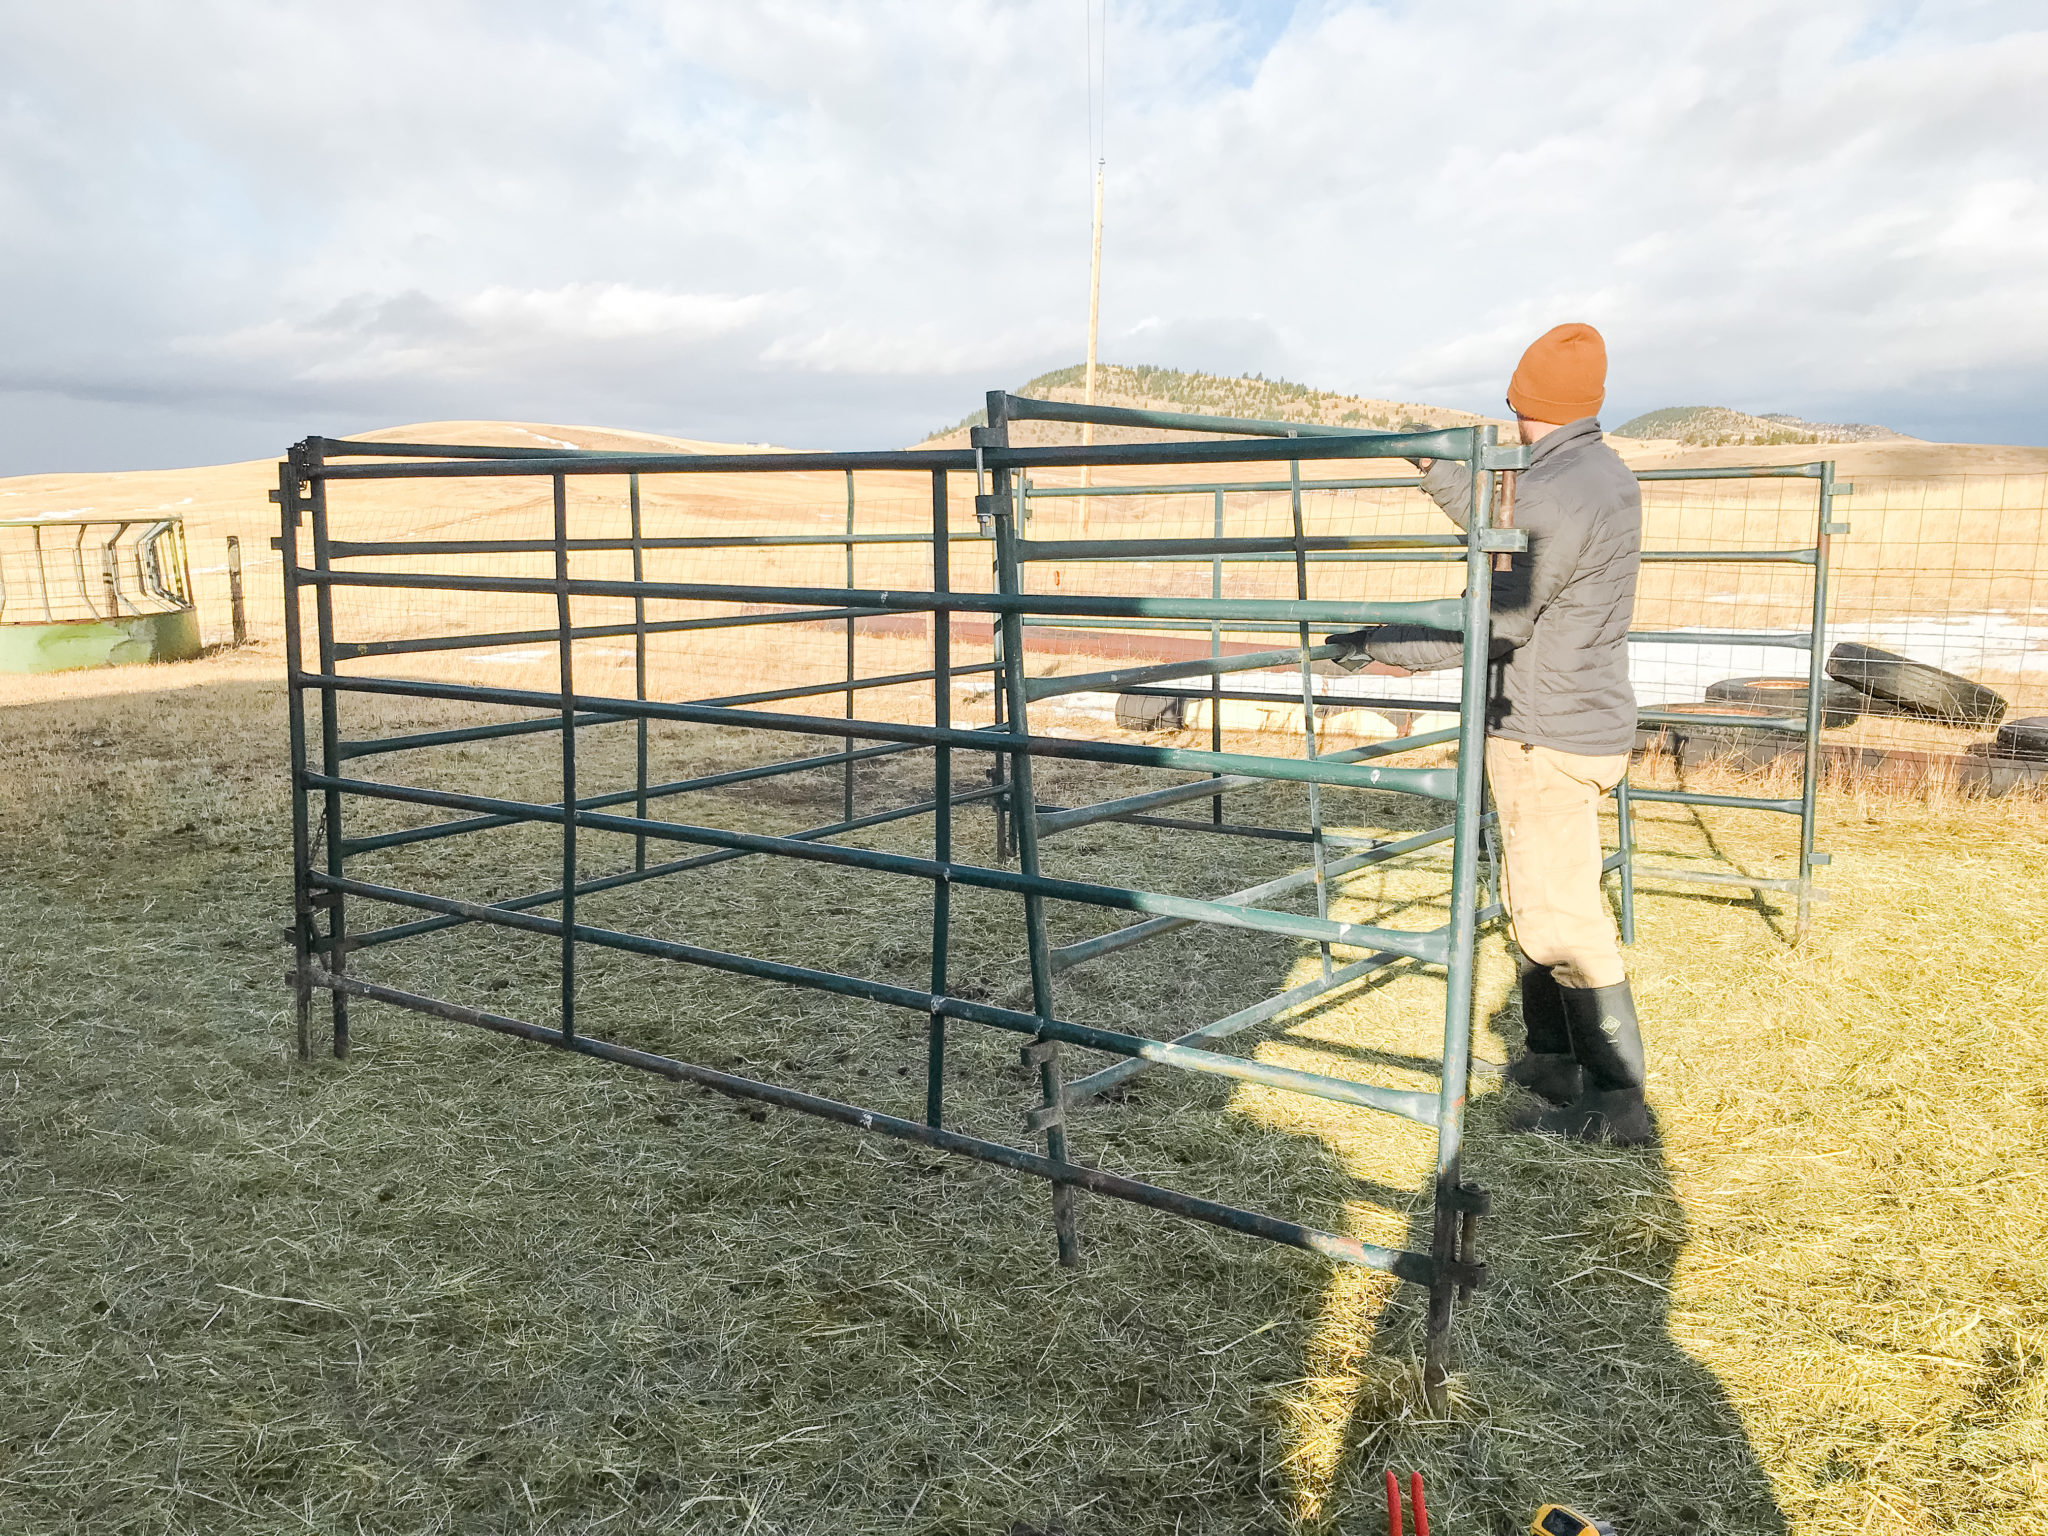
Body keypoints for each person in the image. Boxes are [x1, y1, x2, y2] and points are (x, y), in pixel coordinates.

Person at [1331, 322, 1649, 1144]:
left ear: (1516, 396)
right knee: (1529, 894)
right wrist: (1438, 470)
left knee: (1559, 916)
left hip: (1545, 730)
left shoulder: (1556, 488)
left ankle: (1616, 1103)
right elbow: (1513, 530)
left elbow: (1498, 615)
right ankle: (1553, 1058)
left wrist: (1381, 647)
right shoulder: (1591, 472)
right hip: (1572, 714)